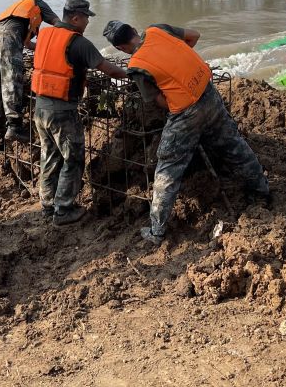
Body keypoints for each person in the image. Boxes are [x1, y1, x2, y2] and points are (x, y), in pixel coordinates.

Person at [103, 20, 271, 245]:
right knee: (234, 145)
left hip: (185, 114)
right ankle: (261, 192)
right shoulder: (158, 29)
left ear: (120, 48)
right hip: (209, 93)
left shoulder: (136, 67)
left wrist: (178, 102)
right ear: (133, 29)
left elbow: (159, 100)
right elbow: (194, 35)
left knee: (167, 167)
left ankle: (156, 231)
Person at [31, 0, 128, 225]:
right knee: (73, 158)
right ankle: (63, 210)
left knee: (50, 156)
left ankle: (48, 205)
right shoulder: (78, 43)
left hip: (40, 107)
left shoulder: (45, 34)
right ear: (75, 18)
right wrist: (133, 73)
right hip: (62, 112)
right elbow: (109, 70)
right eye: (86, 18)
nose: (87, 22)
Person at [0, 0, 60, 143]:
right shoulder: (36, 2)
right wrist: (62, 42)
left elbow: (27, 44)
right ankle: (14, 127)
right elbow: (58, 23)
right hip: (9, 36)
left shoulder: (15, 9)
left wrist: (44, 47)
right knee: (11, 79)